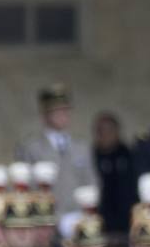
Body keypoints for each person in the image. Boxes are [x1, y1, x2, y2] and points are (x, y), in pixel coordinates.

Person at [15, 83, 95, 213]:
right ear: (45, 115)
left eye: (65, 110)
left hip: (76, 216)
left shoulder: (81, 147)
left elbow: (91, 181)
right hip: (44, 215)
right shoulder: (31, 147)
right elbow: (24, 185)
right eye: (57, 111)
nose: (63, 115)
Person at [92, 112, 137, 240]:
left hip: (127, 222)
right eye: (100, 131)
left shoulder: (129, 156)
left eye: (109, 130)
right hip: (100, 222)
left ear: (117, 131)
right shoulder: (91, 157)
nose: (105, 134)